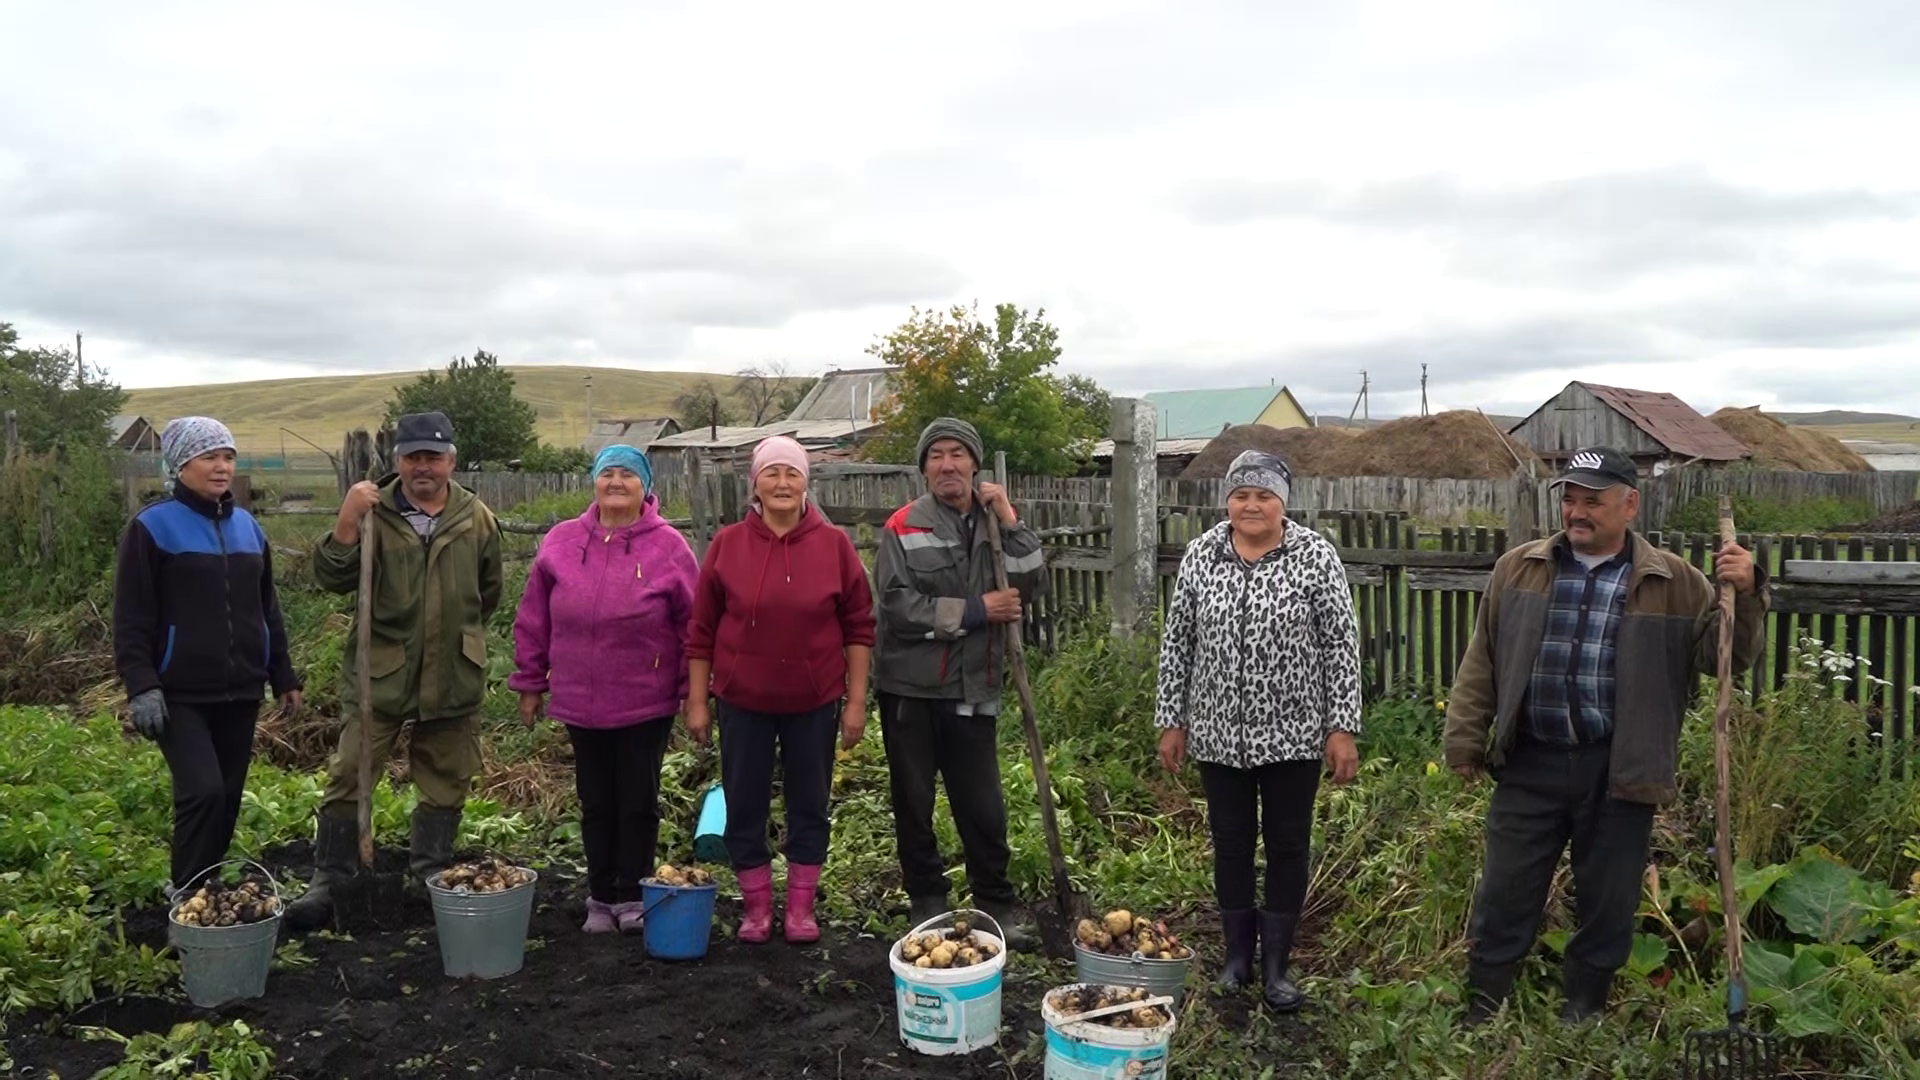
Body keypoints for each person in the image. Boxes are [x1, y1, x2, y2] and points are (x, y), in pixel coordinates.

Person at [1444, 446, 1767, 1025]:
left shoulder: (1675, 581)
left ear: (1630, 505)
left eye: (1593, 500)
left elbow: (1726, 662)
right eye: (1570, 498)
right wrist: (1465, 738)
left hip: (1620, 767)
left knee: (1608, 901)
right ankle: (1482, 1006)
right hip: (1530, 762)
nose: (1577, 511)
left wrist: (1744, 595)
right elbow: (1482, 660)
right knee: (1505, 892)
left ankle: (1584, 1010)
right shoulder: (1519, 568)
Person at [1153, 449, 1362, 1011]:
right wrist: (1172, 719)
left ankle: (1278, 967)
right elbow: (1179, 643)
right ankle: (1237, 959)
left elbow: (1341, 644)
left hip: (1293, 735)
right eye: (1241, 495)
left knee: (1289, 846)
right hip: (1218, 736)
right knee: (1231, 844)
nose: (1251, 505)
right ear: (1227, 501)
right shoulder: (1202, 554)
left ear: (1282, 503)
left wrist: (1342, 726)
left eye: (1263, 495)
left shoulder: (1315, 557)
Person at [284, 411, 504, 930]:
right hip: (380, 673)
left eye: (433, 456)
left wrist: (456, 634)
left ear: (451, 460)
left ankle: (430, 873)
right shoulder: (372, 512)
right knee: (350, 773)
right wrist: (345, 520)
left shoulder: (477, 519)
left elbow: (487, 593)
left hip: (453, 673)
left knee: (447, 778)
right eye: (412, 457)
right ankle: (331, 880)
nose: (422, 467)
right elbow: (332, 578)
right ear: (397, 460)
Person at [685, 436, 876, 944]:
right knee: (744, 802)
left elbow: (859, 626)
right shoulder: (728, 544)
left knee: (808, 802)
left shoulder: (834, 544)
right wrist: (698, 701)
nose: (782, 483)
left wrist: (855, 702)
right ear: (756, 484)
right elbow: (701, 630)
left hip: (814, 701)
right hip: (742, 699)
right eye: (772, 474)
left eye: (792, 474)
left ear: (806, 482)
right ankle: (756, 908)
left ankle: (800, 909)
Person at [872, 417, 1048, 949]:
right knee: (915, 801)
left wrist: (1011, 520)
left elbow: (1030, 583)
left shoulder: (996, 523)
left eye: (957, 455)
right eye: (936, 456)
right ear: (924, 468)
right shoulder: (903, 526)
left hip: (975, 688)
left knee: (983, 804)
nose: (947, 465)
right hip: (911, 690)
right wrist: (977, 611)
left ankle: (995, 905)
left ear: (973, 463)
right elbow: (898, 607)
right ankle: (927, 902)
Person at [509, 445, 698, 934]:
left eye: (627, 476)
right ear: (594, 482)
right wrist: (530, 682)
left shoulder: (669, 546)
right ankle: (600, 897)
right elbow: (533, 620)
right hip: (580, 701)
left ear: (646, 487)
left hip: (645, 700)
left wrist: (691, 692)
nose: (616, 482)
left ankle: (633, 896)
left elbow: (693, 626)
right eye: (607, 474)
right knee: (595, 801)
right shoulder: (562, 541)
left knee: (637, 800)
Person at [112, 417, 303, 898]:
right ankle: (188, 892)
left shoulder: (249, 529)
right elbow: (132, 616)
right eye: (209, 457)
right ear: (180, 465)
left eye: (228, 457)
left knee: (229, 794)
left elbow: (268, 609)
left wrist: (283, 674)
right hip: (179, 692)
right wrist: (142, 684)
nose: (222, 467)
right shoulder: (152, 528)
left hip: (241, 688)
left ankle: (208, 882)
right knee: (203, 791)